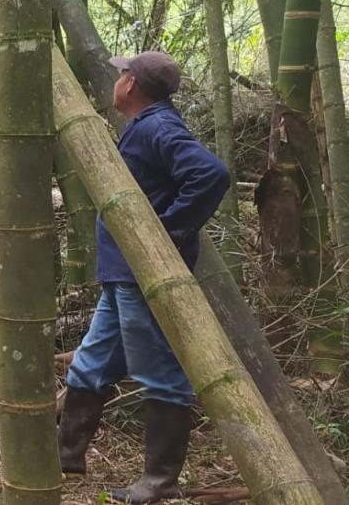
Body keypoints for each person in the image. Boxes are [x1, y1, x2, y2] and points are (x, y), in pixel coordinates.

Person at [57, 51, 230, 504]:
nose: (117, 82)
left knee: (160, 373)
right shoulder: (147, 124)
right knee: (90, 364)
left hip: (144, 276)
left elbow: (211, 174)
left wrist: (168, 229)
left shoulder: (158, 126)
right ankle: (65, 455)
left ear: (131, 84)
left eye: (121, 75)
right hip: (124, 275)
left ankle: (159, 481)